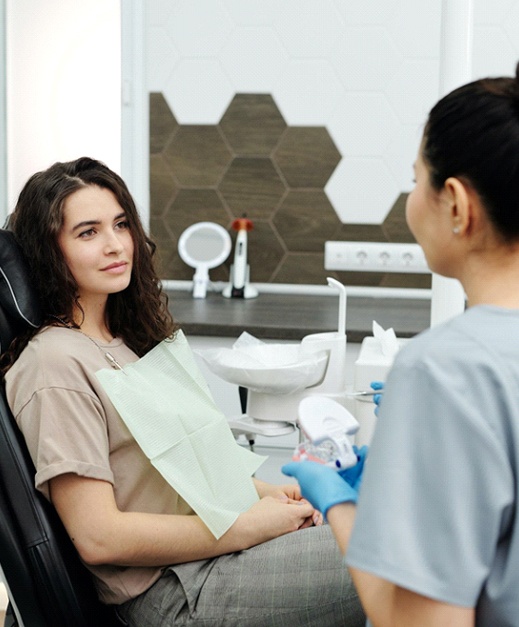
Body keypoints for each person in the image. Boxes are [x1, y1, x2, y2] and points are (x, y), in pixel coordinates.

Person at [0, 157, 365, 626]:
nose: (115, 246)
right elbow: (98, 536)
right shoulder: (54, 364)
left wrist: (283, 494)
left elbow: (190, 474)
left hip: (212, 558)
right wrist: (243, 528)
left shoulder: (123, 344)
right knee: (393, 555)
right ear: (48, 250)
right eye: (88, 232)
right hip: (173, 592)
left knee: (386, 526)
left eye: (120, 224)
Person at [283, 62, 519, 627]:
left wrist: (340, 504)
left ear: (457, 205)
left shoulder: (445, 370)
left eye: (417, 180)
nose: (413, 198)